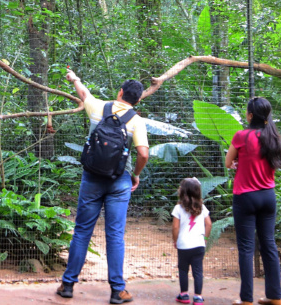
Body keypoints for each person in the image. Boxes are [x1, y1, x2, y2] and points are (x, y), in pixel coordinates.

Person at [56, 68, 149, 305]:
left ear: (120, 92)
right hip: (119, 181)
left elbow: (84, 93)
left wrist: (74, 77)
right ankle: (117, 291)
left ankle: (68, 285)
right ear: (138, 100)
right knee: (115, 235)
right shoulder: (136, 121)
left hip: (92, 178)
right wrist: (135, 174)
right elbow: (143, 154)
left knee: (82, 230)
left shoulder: (98, 107)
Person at [225, 97, 281, 305]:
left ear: (250, 115)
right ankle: (275, 297)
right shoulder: (274, 137)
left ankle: (247, 300)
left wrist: (237, 163)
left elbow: (227, 162)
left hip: (245, 197)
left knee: (246, 248)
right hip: (268, 196)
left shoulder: (242, 136)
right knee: (269, 244)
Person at [172, 178, 211, 304]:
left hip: (183, 245)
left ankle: (184, 295)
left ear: (182, 191)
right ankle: (198, 297)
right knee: (198, 271)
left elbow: (175, 227)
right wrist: (205, 239)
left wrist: (175, 240)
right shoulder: (203, 207)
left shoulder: (178, 208)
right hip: (199, 245)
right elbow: (209, 224)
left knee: (183, 269)